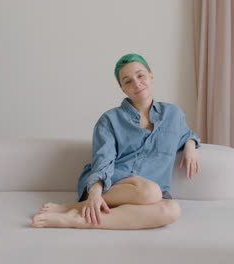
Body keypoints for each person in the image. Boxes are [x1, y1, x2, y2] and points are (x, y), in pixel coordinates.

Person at [32, 53, 200, 229]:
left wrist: (190, 146)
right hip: (112, 185)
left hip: (152, 196)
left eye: (140, 75)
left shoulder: (173, 114)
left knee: (172, 210)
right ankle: (82, 206)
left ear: (151, 76)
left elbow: (187, 133)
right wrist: (95, 193)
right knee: (150, 191)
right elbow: (103, 159)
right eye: (128, 81)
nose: (136, 83)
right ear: (123, 89)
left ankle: (73, 216)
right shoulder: (110, 120)